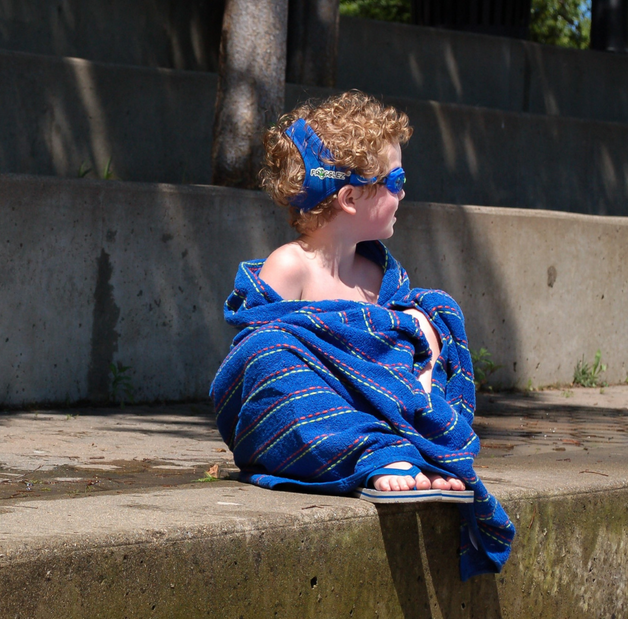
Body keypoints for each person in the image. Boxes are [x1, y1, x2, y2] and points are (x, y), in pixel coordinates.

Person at [210, 91, 513, 579]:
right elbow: (253, 363)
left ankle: (413, 450)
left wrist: (420, 332)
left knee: (436, 313)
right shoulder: (292, 265)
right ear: (350, 198)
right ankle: (370, 453)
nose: (403, 192)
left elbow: (385, 360)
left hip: (373, 405)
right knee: (270, 354)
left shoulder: (379, 273)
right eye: (395, 181)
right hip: (314, 408)